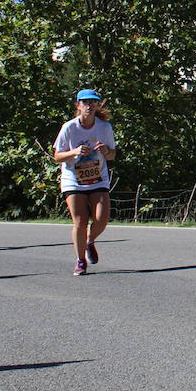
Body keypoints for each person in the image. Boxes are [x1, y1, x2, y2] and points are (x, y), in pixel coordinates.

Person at [52, 89, 117, 275]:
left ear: (97, 106)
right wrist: (75, 152)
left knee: (102, 218)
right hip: (74, 180)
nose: (89, 106)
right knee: (79, 221)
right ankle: (80, 261)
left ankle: (90, 240)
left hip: (97, 179)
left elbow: (113, 154)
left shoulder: (104, 127)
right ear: (78, 106)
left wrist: (106, 151)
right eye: (85, 103)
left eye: (93, 103)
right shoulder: (69, 128)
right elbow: (57, 156)